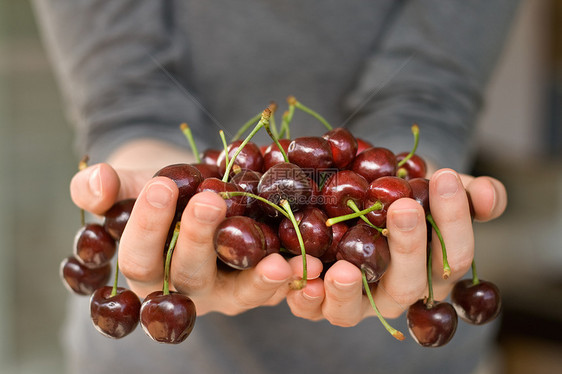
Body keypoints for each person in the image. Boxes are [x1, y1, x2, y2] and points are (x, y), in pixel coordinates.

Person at [33, 1, 516, 373]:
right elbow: (126, 93)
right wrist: (145, 169)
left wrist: (412, 189)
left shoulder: (336, 189)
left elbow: (429, 91)